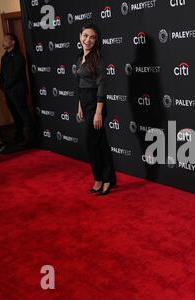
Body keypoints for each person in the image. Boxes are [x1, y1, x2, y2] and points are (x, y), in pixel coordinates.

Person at [76, 23, 116, 196]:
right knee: (98, 143)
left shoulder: (97, 58)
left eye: (92, 37)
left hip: (96, 103)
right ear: (80, 36)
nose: (88, 40)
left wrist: (98, 112)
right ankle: (103, 179)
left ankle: (104, 179)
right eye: (85, 36)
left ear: (96, 40)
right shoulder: (80, 58)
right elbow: (80, 84)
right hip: (85, 103)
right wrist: (80, 106)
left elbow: (101, 86)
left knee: (94, 144)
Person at [0, 33, 34, 146]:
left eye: (5, 40)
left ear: (13, 42)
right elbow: (2, 74)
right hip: (8, 92)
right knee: (15, 115)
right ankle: (19, 137)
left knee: (24, 115)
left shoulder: (19, 56)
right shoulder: (4, 57)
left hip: (17, 92)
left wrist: (6, 85)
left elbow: (16, 75)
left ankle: (30, 139)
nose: (3, 42)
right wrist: (2, 86)